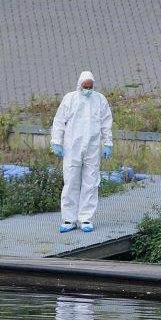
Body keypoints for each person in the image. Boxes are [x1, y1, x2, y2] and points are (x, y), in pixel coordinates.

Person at [50, 71, 113, 233]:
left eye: (90, 87)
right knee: (71, 181)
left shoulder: (99, 100)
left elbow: (106, 122)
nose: (88, 89)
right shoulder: (70, 99)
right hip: (72, 148)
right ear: (79, 85)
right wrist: (56, 141)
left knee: (91, 183)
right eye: (85, 87)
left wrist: (107, 143)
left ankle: (85, 218)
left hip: (92, 148)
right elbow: (59, 121)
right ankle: (69, 219)